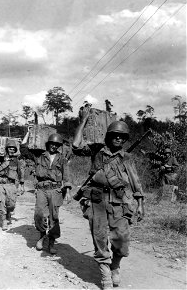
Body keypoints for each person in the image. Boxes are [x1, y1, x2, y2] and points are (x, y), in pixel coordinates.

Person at [72, 110, 145, 290]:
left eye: (122, 137)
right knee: (99, 236)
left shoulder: (126, 157)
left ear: (125, 139)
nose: (118, 139)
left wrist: (141, 204)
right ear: (109, 136)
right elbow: (75, 145)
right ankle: (105, 269)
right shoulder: (97, 151)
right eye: (115, 135)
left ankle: (116, 265)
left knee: (121, 239)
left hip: (120, 201)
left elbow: (135, 181)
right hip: (97, 199)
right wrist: (83, 121)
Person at [34, 133, 72, 254]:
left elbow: (66, 176)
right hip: (41, 189)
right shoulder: (40, 156)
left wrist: (69, 191)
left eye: (56, 145)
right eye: (52, 144)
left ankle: (51, 241)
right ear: (48, 144)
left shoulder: (62, 159)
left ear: (59, 146)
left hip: (55, 190)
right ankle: (41, 236)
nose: (54, 146)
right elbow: (27, 146)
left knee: (53, 217)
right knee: (39, 213)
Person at [0, 139, 24, 230]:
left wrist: (21, 185)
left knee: (11, 204)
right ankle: (4, 221)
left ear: (15, 150)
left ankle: (9, 213)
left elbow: (20, 173)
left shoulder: (17, 161)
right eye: (9, 148)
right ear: (6, 149)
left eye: (13, 148)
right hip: (1, 184)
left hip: (11, 185)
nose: (11, 150)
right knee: (1, 203)